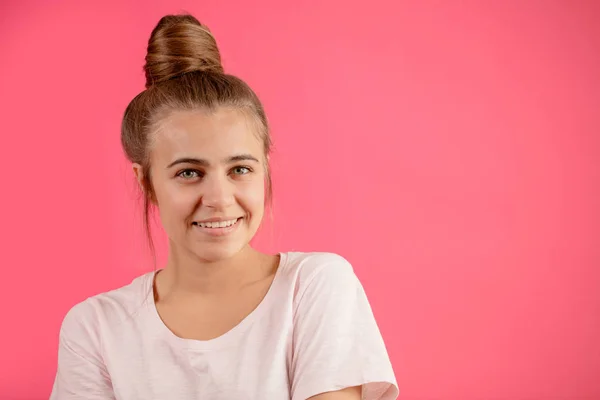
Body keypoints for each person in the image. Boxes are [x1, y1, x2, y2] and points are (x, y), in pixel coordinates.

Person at [50, 13, 398, 400]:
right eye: (189, 173)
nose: (219, 199)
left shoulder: (314, 286)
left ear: (264, 168)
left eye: (240, 169)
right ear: (145, 182)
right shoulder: (96, 327)